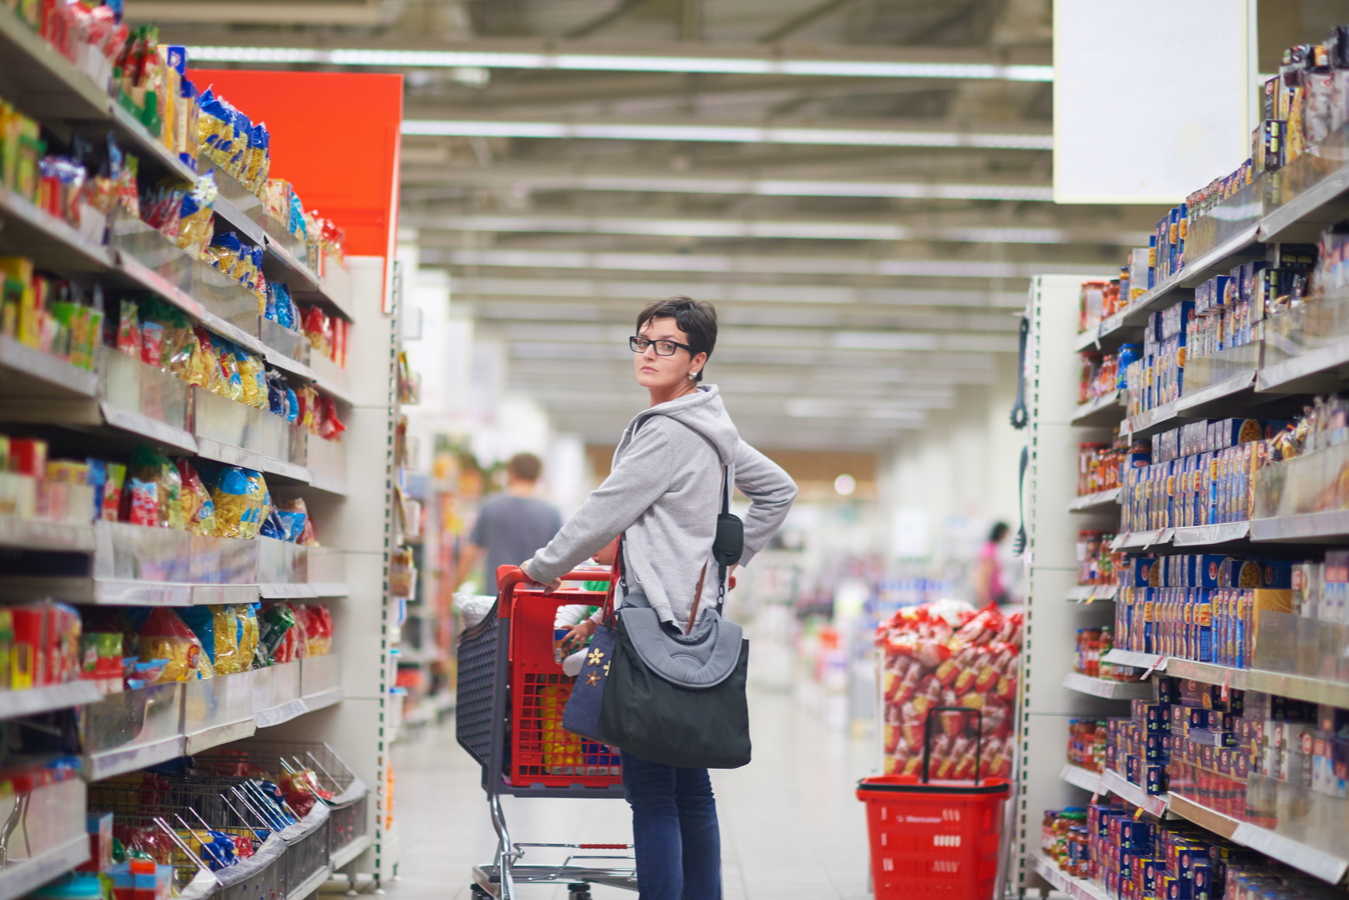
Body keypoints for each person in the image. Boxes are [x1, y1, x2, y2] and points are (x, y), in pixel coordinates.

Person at [519, 296, 797, 900]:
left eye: (667, 345)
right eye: (643, 341)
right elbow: (778, 490)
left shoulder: (669, 431)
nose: (649, 354)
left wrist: (541, 570)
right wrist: (731, 561)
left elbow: (603, 511)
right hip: (695, 626)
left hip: (652, 627)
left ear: (697, 360)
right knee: (690, 786)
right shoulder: (714, 428)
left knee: (650, 789)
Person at [455, 452, 563, 594]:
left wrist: (453, 588)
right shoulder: (551, 513)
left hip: (498, 597)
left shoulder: (491, 507)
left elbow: (471, 552)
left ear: (511, 473)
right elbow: (560, 562)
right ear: (539, 476)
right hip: (538, 598)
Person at [974, 521, 1011, 606]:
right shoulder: (990, 549)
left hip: (997, 593)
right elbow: (984, 574)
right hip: (993, 595)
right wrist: (983, 598)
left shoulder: (994, 548)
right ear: (1002, 533)